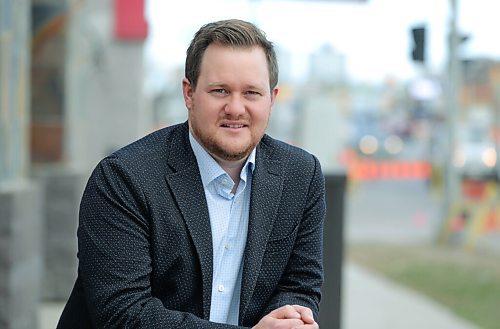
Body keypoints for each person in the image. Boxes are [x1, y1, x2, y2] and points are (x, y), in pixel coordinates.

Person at [57, 18, 325, 328]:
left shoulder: (301, 176)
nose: (236, 108)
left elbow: (300, 284)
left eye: (251, 93)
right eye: (220, 90)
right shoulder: (123, 179)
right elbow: (123, 314)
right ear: (189, 94)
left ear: (272, 99)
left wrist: (289, 318)